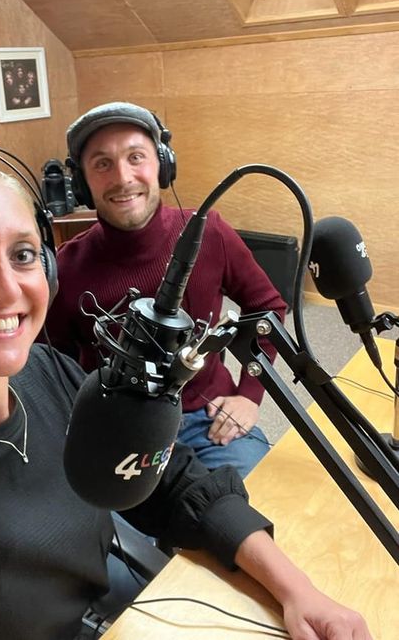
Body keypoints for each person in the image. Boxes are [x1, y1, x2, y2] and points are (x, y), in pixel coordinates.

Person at [0, 140, 371, 640]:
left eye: (22, 254)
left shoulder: (53, 375)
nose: (7, 289)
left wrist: (299, 591)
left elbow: (176, 483)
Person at [45, 102, 287, 478]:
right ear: (82, 183)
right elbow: (50, 362)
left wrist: (249, 395)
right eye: (103, 164)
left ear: (162, 164)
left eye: (136, 157)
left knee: (262, 501)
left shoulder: (210, 232)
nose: (123, 178)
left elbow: (266, 307)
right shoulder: (66, 267)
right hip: (117, 430)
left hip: (207, 419)